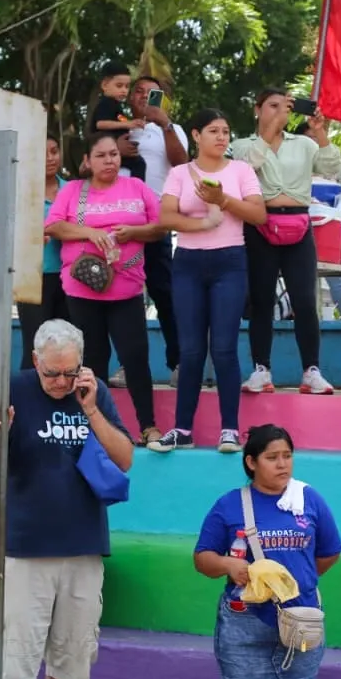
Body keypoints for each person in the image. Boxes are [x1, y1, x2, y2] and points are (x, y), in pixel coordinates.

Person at [0, 319, 133, 679]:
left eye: (69, 372)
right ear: (35, 359)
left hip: (83, 545)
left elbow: (124, 459)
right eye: (52, 372)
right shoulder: (13, 387)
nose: (61, 381)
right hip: (25, 547)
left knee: (70, 660)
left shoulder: (92, 390)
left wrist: (91, 409)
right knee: (16, 662)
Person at [194, 424, 341, 679]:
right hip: (245, 624)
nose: (282, 464)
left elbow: (329, 552)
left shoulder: (309, 499)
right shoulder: (229, 505)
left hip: (301, 620)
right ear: (251, 462)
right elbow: (202, 558)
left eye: (287, 456)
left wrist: (296, 583)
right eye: (272, 457)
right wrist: (228, 565)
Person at [153, 109, 266, 455]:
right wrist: (201, 224)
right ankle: (182, 429)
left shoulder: (241, 170)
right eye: (213, 130)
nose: (221, 137)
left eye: (226, 130)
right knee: (190, 351)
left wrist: (224, 201)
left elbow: (259, 214)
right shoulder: (179, 173)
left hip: (230, 261)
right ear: (196, 135)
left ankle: (230, 429)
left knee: (224, 348)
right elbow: (165, 216)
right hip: (188, 262)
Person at [46, 131, 162, 442]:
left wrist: (134, 231)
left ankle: (148, 426)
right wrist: (88, 232)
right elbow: (54, 226)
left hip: (127, 288)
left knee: (135, 356)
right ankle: (95, 429)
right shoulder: (72, 190)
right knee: (93, 359)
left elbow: (161, 226)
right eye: (101, 155)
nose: (110, 160)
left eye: (113, 154)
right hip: (83, 289)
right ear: (87, 161)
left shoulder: (136, 187)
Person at [233, 89, 341, 396]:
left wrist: (321, 134)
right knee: (260, 301)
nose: (279, 111)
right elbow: (249, 165)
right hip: (260, 223)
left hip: (299, 223)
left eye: (283, 107)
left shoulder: (305, 144)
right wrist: (271, 128)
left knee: (305, 301)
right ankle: (261, 369)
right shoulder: (241, 144)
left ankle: (311, 370)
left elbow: (331, 168)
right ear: (257, 109)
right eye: (271, 106)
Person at [108, 76, 189, 388]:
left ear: (163, 98)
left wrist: (165, 124)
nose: (143, 96)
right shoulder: (118, 126)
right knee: (124, 297)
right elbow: (92, 164)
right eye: (138, 91)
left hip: (155, 221)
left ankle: (179, 362)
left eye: (151, 93)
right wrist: (114, 147)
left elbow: (182, 164)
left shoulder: (171, 129)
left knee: (164, 291)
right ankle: (129, 365)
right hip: (117, 223)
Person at [17, 137, 69, 370]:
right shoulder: (21, 192)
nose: (50, 158)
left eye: (54, 151)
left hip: (71, 277)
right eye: (42, 153)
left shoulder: (73, 189)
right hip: (32, 277)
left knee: (67, 343)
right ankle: (25, 402)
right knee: (35, 345)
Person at [90, 61, 146, 182]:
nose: (124, 91)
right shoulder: (106, 103)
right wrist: (128, 124)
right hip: (104, 148)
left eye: (127, 87)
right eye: (119, 86)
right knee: (139, 164)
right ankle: (138, 192)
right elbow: (101, 123)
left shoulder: (116, 105)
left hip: (116, 149)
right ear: (105, 85)